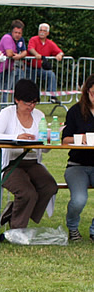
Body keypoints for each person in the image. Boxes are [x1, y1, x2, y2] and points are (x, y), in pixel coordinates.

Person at [0, 79, 58, 228]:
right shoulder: (7, 113)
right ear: (17, 100)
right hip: (9, 164)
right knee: (27, 192)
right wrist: (16, 137)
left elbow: (43, 148)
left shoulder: (39, 115)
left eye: (34, 102)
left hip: (32, 162)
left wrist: (48, 141)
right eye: (27, 103)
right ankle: (17, 228)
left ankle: (14, 212)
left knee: (49, 186)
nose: (31, 106)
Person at [60, 74, 94, 242]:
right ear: (87, 91)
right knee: (79, 200)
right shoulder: (75, 111)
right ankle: (72, 227)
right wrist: (82, 138)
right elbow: (65, 140)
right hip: (77, 164)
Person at [0, 20, 27, 118]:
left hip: (8, 68)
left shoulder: (21, 40)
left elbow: (25, 52)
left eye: (19, 33)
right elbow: (9, 53)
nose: (17, 35)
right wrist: (18, 55)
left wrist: (19, 56)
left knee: (5, 89)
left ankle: (0, 108)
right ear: (12, 32)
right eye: (16, 32)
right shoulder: (7, 38)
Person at [27, 23, 64, 103]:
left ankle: (52, 96)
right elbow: (30, 48)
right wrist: (36, 54)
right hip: (29, 67)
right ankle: (30, 98)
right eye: (40, 30)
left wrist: (59, 55)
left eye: (44, 31)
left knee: (51, 75)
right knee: (30, 83)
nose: (42, 32)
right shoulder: (33, 39)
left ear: (48, 33)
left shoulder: (50, 43)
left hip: (41, 68)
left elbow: (60, 51)